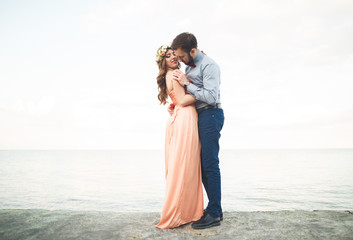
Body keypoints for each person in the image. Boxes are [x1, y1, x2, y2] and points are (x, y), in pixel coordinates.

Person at [171, 32, 225, 229]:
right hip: (199, 116)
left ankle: (214, 214)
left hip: (211, 115)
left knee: (210, 164)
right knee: (202, 166)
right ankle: (215, 209)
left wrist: (187, 84)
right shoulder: (190, 64)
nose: (180, 61)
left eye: (182, 56)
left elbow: (211, 96)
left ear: (192, 51)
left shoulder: (210, 66)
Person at [155, 44, 204, 229]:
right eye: (168, 56)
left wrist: (177, 102)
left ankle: (186, 211)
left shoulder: (170, 75)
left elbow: (177, 99)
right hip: (185, 118)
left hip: (181, 117)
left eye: (174, 54)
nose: (174, 57)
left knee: (185, 165)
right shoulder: (175, 75)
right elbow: (183, 100)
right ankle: (181, 213)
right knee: (185, 166)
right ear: (164, 62)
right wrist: (203, 92)